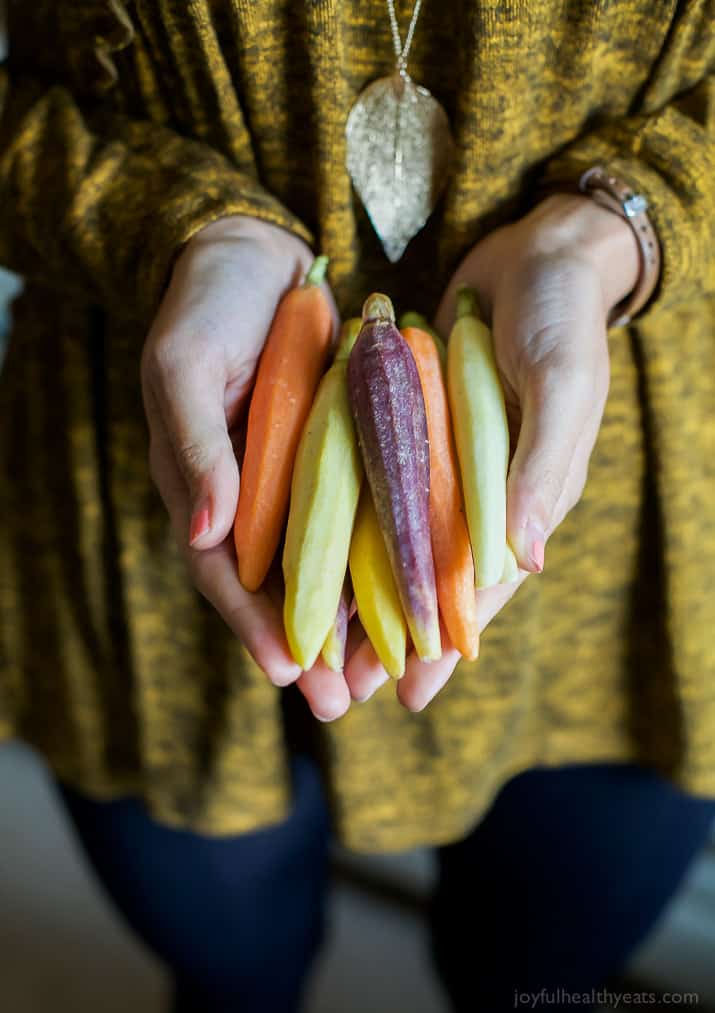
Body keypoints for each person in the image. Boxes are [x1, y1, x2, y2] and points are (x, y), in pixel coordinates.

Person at [1, 2, 714, 1011]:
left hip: (618, 509)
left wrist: (612, 231)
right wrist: (170, 227)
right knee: (225, 971)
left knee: (544, 978)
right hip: (157, 474)